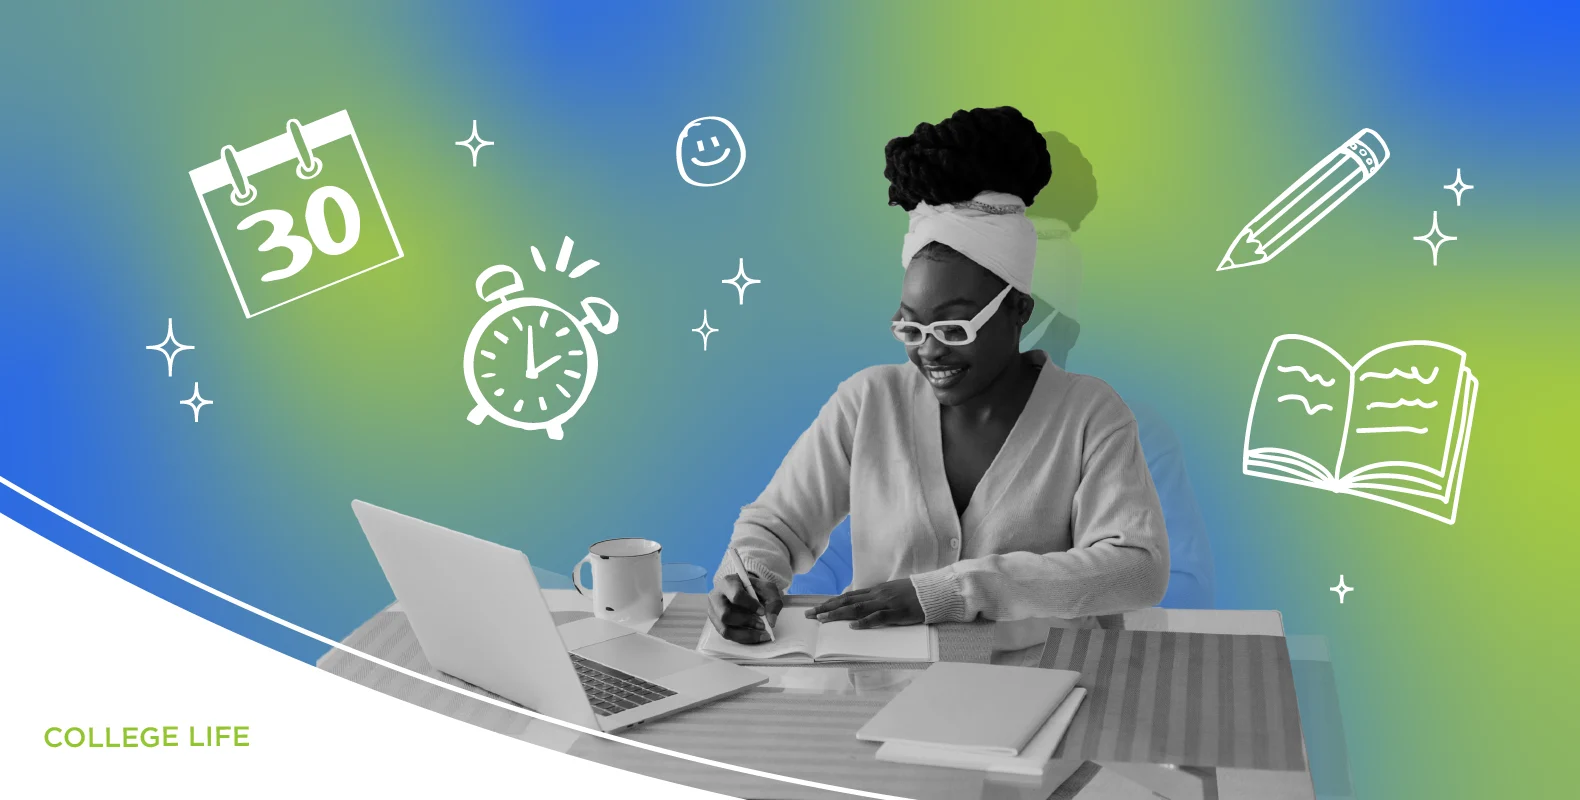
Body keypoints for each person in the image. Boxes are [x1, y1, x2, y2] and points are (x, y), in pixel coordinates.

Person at [708, 107, 1168, 643]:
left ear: (1019, 309)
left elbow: (1137, 567)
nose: (929, 351)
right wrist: (751, 577)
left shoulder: (1089, 414)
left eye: (953, 328)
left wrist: (951, 592)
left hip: (1041, 688)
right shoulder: (867, 403)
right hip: (876, 688)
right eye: (910, 327)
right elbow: (776, 525)